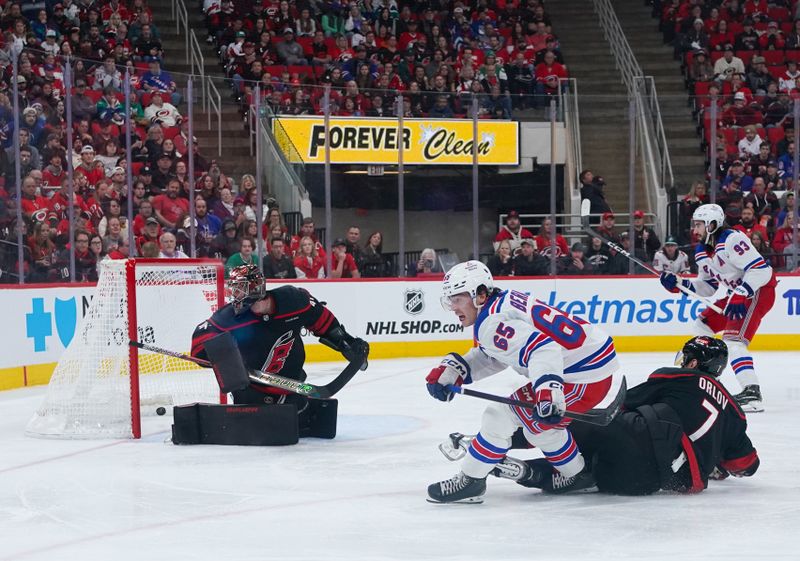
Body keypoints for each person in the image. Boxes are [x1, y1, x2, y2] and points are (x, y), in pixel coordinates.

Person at [425, 261, 621, 503]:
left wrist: (549, 391)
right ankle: (578, 476)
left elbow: (541, 348)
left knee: (499, 416)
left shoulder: (491, 322)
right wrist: (455, 371)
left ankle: (471, 480)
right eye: (450, 300)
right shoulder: (498, 305)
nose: (453, 307)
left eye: (458, 299)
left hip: (582, 376)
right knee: (538, 427)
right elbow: (498, 353)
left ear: (480, 294)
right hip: (587, 367)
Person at [492, 337, 758, 495]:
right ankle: (531, 472)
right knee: (589, 473)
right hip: (651, 481)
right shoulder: (734, 412)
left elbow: (623, 406)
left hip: (644, 442)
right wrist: (714, 461)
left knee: (581, 422)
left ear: (692, 364)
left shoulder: (680, 377)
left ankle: (502, 441)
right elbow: (746, 464)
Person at [190, 264, 369, 437]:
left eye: (239, 288)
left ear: (255, 288)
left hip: (293, 387)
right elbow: (198, 347)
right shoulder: (229, 318)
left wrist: (347, 342)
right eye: (234, 289)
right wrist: (224, 360)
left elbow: (321, 319)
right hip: (252, 392)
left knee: (295, 427)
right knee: (267, 436)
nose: (234, 294)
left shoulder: (293, 300)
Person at [659, 204, 776, 412]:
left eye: (699, 225)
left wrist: (741, 292)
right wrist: (679, 284)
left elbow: (761, 270)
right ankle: (706, 376)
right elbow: (707, 288)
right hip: (739, 295)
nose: (695, 230)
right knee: (702, 324)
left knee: (733, 340)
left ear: (712, 224)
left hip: (758, 291)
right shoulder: (702, 250)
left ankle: (751, 393)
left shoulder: (733, 239)